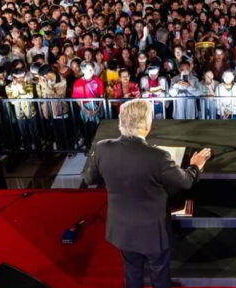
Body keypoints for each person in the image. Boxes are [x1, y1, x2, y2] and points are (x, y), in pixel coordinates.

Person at [83, 99, 212, 288]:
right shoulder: (158, 156)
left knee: (132, 271)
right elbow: (185, 181)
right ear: (146, 124)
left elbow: (89, 179)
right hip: (153, 231)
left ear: (122, 121)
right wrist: (196, 165)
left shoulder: (102, 148)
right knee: (159, 272)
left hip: (122, 228)